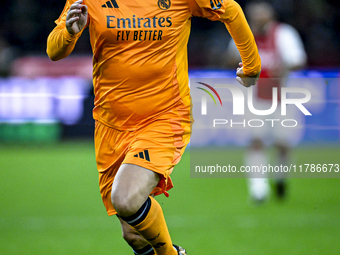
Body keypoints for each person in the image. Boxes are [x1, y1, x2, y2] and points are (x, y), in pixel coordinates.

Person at [46, 0, 261, 254]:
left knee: (126, 199)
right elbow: (54, 50)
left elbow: (230, 9)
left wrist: (252, 66)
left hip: (164, 117)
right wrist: (70, 32)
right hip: (110, 125)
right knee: (134, 235)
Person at [225, 1, 307, 203]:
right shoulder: (243, 32)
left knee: (283, 144)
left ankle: (279, 178)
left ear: (270, 18)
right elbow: (228, 59)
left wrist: (285, 65)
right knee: (256, 141)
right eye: (254, 19)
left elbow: (299, 60)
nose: (257, 23)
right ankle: (258, 190)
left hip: (282, 98)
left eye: (261, 19)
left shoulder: (284, 34)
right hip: (253, 98)